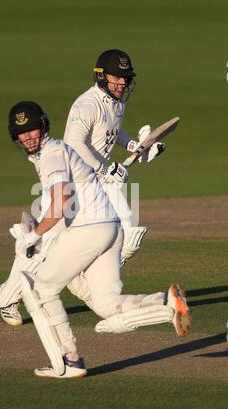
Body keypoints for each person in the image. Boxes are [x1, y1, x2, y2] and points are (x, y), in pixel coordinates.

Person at [0, 100, 191, 378]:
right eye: (22, 132)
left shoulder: (52, 154)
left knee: (43, 290)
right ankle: (166, 303)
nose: (28, 136)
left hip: (89, 228)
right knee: (106, 303)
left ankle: (70, 360)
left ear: (44, 127)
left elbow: (61, 201)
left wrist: (34, 235)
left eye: (33, 129)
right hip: (110, 228)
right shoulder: (53, 152)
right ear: (15, 136)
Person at [63, 48, 166, 302]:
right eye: (117, 77)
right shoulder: (86, 105)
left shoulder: (116, 102)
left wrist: (136, 147)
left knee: (130, 236)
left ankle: (96, 285)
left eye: (126, 77)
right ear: (101, 76)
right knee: (48, 249)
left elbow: (114, 132)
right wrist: (104, 168)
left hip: (101, 182)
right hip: (74, 183)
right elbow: (73, 143)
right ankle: (12, 295)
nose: (123, 82)